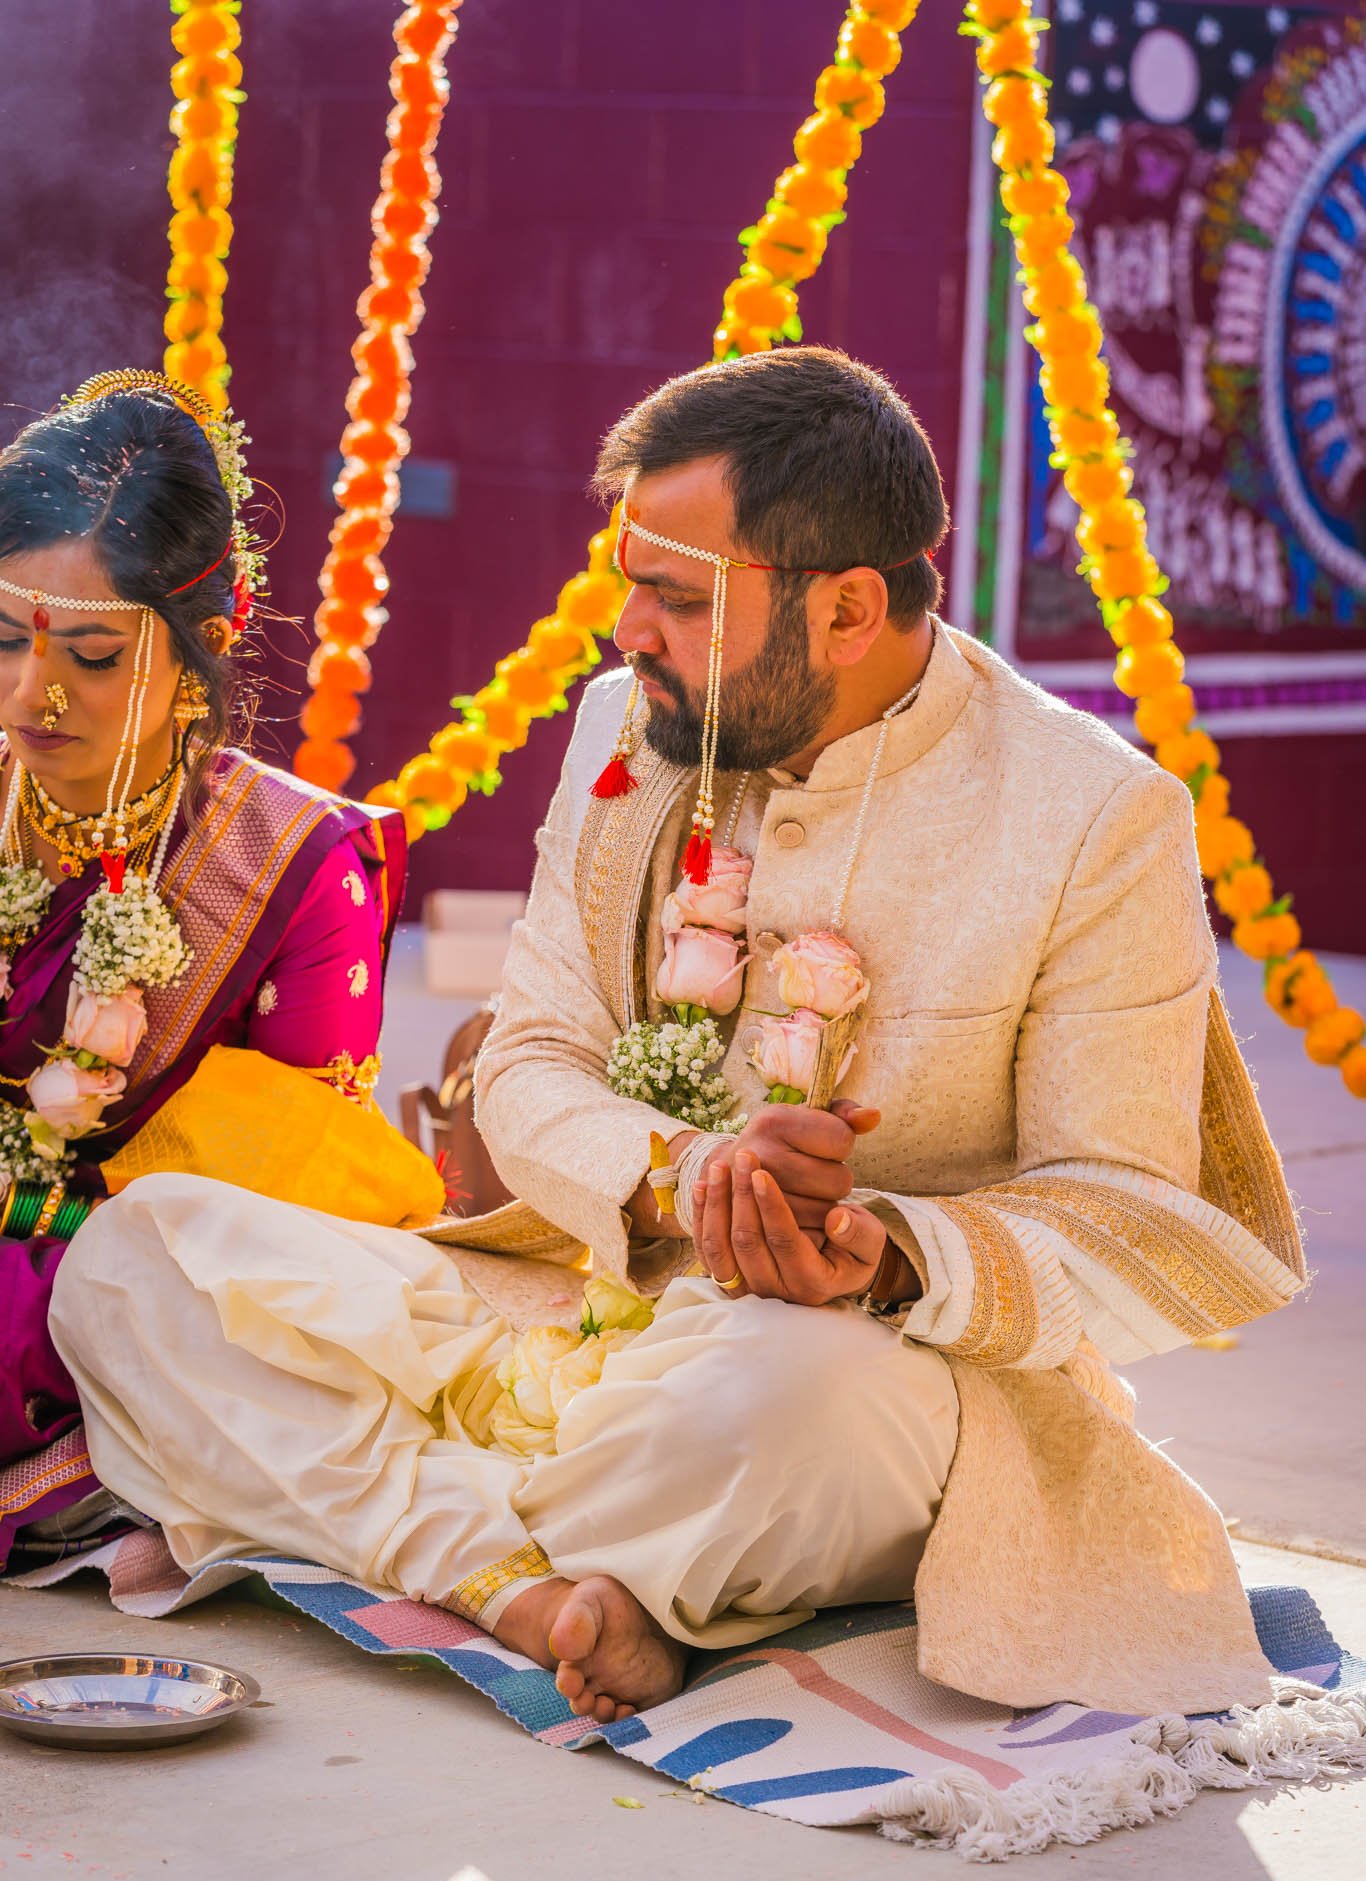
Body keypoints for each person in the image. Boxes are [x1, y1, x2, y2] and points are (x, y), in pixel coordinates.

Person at [50, 348, 1305, 1724]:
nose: (626, 632)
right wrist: (676, 1179)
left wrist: (890, 1254)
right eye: (628, 584)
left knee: (774, 1410)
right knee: (138, 1256)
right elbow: (530, 1058)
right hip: (561, 1311)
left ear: (846, 608)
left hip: (848, 1375)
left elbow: (1132, 1204)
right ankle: (531, 1582)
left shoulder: (1089, 816)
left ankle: (389, 1506)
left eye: (674, 597)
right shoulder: (630, 729)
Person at [0, 370, 411, 1565]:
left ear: (202, 652)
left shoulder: (290, 866)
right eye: (3, 640)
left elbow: (274, 1226)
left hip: (118, 1308)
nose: (34, 695)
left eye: (87, 654)